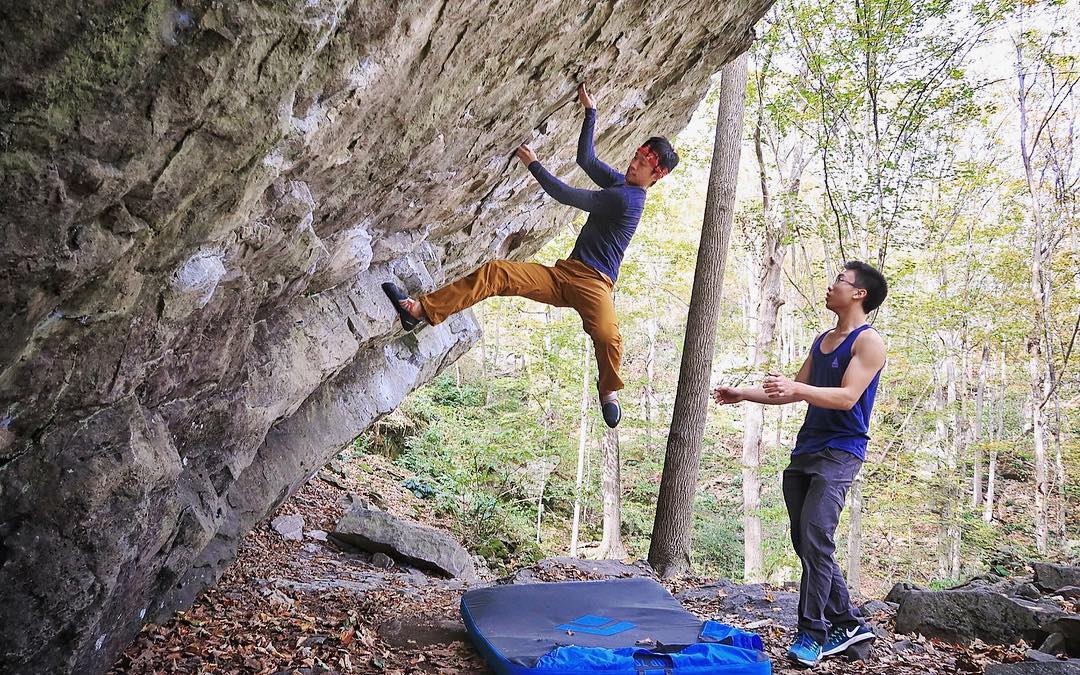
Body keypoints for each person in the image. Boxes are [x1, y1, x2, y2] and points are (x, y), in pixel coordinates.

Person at [382, 83, 679, 428]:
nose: (634, 163)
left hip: (595, 284)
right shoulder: (620, 184)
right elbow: (586, 160)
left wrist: (534, 165)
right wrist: (590, 112)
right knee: (496, 273)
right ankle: (419, 311)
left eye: (643, 163)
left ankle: (608, 389)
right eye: (637, 156)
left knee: (608, 336)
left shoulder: (627, 200)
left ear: (656, 176)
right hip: (563, 276)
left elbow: (567, 195)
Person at [712, 261, 888, 667]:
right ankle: (848, 622)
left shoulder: (868, 342)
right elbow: (790, 392)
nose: (831, 285)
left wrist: (798, 387)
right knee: (806, 541)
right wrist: (743, 393)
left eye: (840, 281)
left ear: (858, 294)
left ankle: (812, 633)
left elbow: (846, 397)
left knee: (815, 536)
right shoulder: (823, 340)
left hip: (840, 451)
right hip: (806, 449)